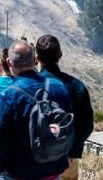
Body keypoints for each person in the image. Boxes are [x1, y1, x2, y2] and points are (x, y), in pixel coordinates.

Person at [0, 40, 73, 180]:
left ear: (9, 62)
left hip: (20, 172)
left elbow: (1, 138)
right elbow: (69, 125)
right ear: (35, 59)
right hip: (53, 170)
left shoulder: (9, 95)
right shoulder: (58, 87)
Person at [36, 35, 94, 180]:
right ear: (60, 55)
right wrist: (72, 148)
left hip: (35, 159)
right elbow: (87, 125)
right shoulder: (76, 86)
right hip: (67, 158)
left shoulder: (26, 86)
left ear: (36, 57)